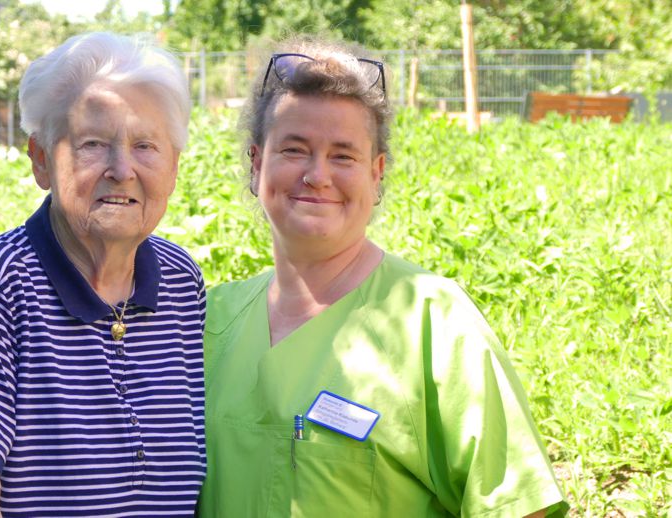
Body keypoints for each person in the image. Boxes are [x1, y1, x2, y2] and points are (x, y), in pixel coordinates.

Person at [197, 37, 568, 517]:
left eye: (344, 156)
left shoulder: (434, 322)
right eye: (294, 149)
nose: (317, 174)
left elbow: (519, 508)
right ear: (256, 163)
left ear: (376, 174)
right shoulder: (206, 322)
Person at [0, 32, 206, 517]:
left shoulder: (180, 281)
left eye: (146, 146)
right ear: (41, 160)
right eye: (92, 145)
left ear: (173, 166)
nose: (122, 169)